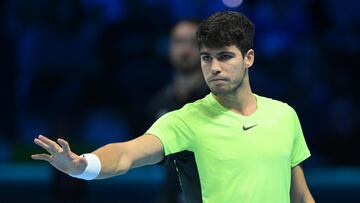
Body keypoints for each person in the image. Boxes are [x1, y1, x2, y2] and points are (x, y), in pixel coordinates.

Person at [32, 11, 315, 203]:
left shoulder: (284, 115)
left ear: (248, 58)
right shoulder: (186, 120)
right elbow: (126, 154)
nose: (214, 67)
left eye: (225, 56)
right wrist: (83, 164)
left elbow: (301, 196)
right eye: (206, 58)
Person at [147, 20, 208, 203]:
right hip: (170, 196)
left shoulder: (219, 100)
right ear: (169, 48)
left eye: (193, 42)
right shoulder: (158, 102)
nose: (185, 49)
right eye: (179, 41)